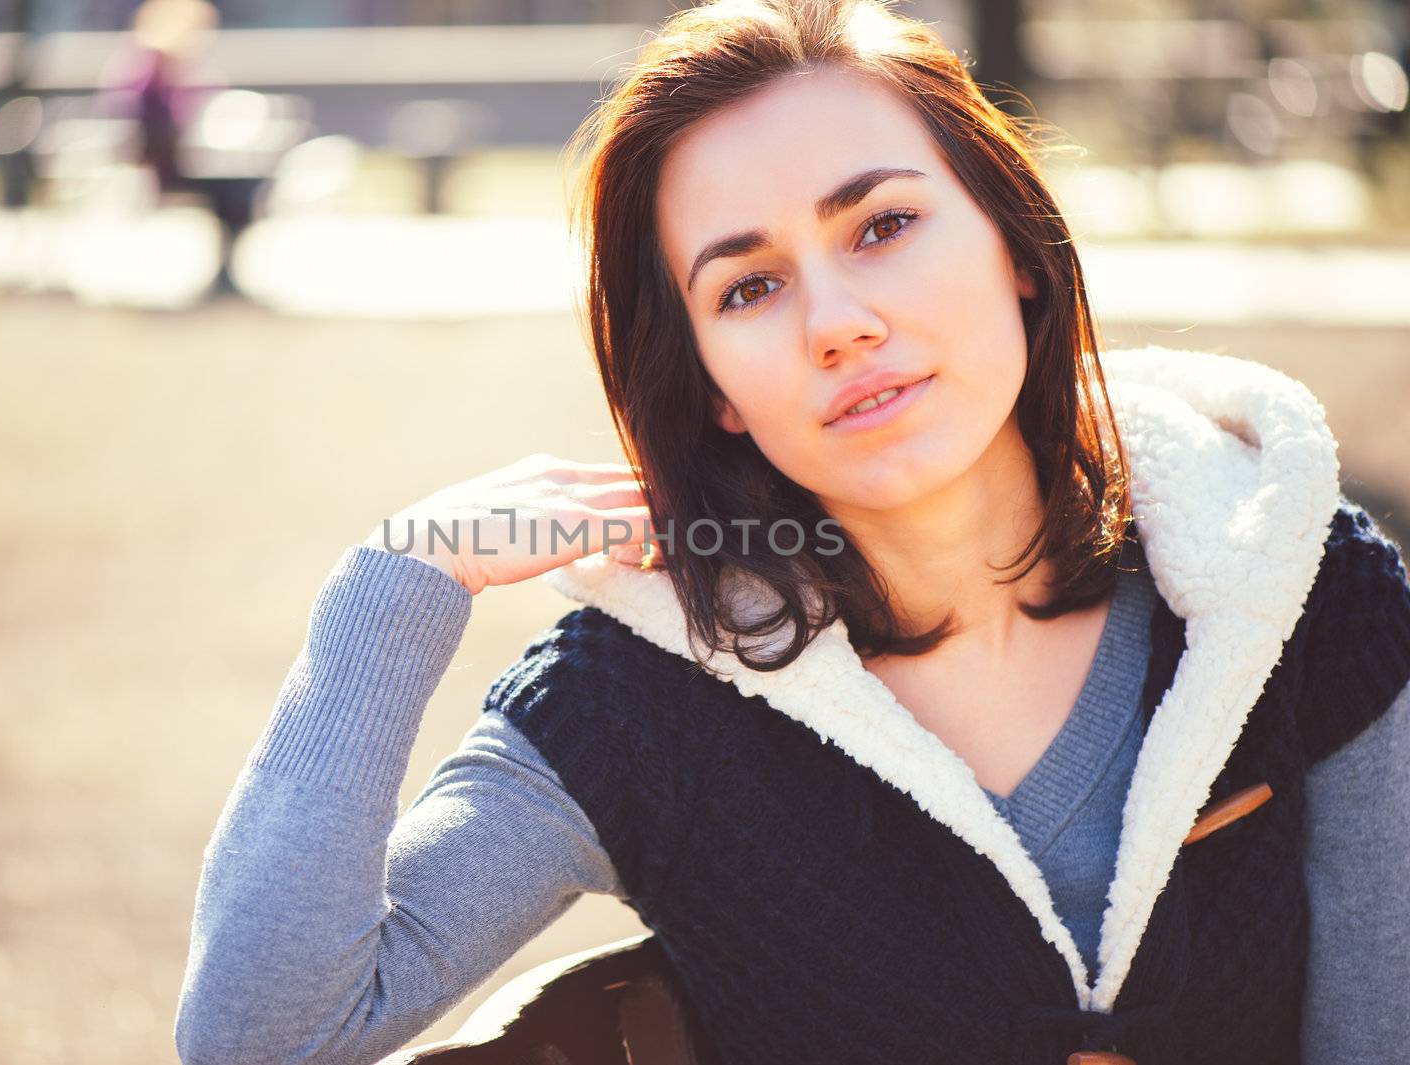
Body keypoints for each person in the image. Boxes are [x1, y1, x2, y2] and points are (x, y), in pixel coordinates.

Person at [172, 1, 1410, 1063]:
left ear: (1013, 245)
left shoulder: (1291, 583)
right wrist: (396, 580)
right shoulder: (633, 706)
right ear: (711, 380)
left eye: (882, 225)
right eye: (747, 286)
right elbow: (265, 1036)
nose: (838, 322)